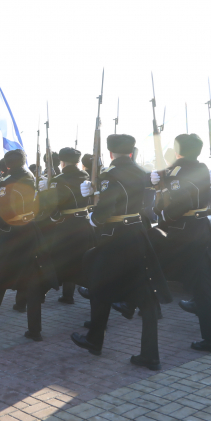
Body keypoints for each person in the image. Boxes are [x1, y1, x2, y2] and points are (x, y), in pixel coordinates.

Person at [70, 135, 170, 369]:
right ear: (132, 151)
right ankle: (150, 354)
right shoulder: (140, 171)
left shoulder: (109, 175)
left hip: (114, 236)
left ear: (111, 153)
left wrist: (93, 217)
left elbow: (105, 209)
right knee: (146, 297)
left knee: (98, 287)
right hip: (137, 233)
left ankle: (95, 340)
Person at [151, 134, 211, 351]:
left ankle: (135, 303)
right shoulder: (199, 167)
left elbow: (179, 204)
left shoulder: (179, 171)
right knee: (203, 287)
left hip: (183, 232)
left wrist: (161, 211)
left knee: (149, 265)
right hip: (199, 228)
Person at [0, 149, 57, 341]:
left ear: (8, 165)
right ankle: (34, 329)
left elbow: (6, 212)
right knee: (33, 283)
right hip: (31, 231)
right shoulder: (30, 177)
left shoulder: (10, 182)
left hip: (13, 233)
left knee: (0, 273)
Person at [38, 147, 95, 305]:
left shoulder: (59, 180)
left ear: (62, 162)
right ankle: (68, 295)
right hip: (84, 222)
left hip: (67, 225)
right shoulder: (86, 175)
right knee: (82, 261)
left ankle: (40, 293)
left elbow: (53, 206)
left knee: (57, 261)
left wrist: (44, 192)